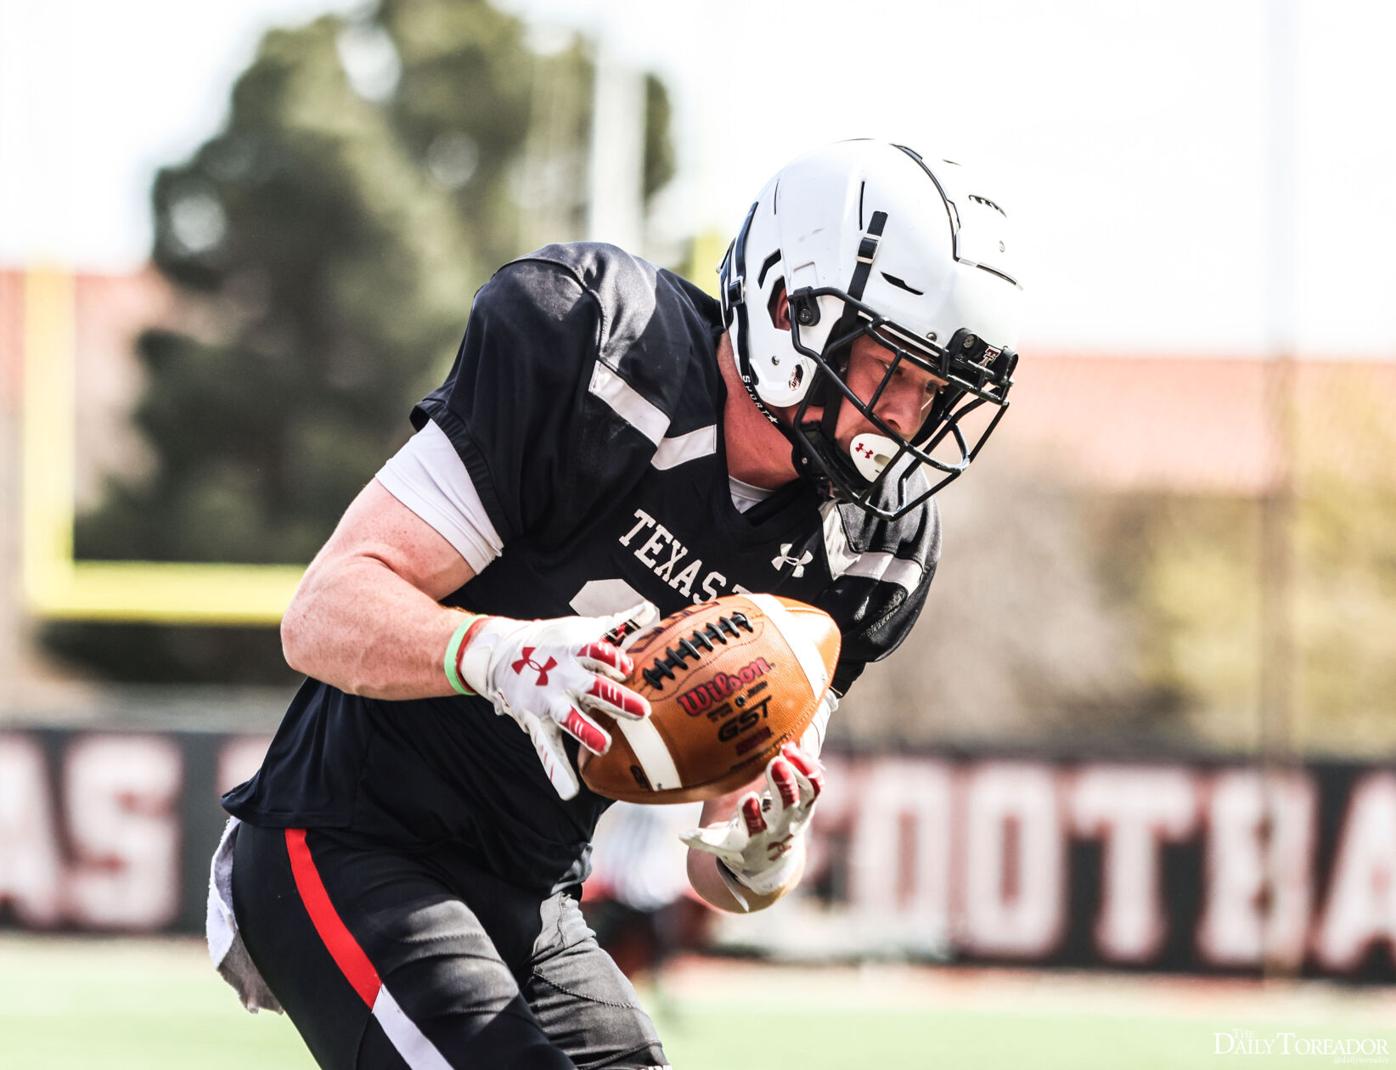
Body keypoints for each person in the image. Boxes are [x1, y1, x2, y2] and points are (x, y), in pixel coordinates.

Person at [205, 138, 1020, 1069]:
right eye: (893, 371)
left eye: (937, 391)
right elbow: (324, 613)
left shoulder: (871, 549)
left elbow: (720, 869)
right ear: (792, 311)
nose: (911, 420)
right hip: (348, 835)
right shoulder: (599, 348)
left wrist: (764, 855)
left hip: (532, 893)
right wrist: (503, 657)